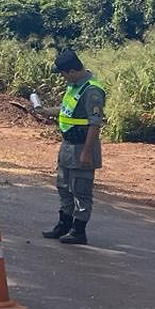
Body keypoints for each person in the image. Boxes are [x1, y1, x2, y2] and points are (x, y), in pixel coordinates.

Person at [32, 49, 106, 245]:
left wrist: (87, 152)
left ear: (72, 71)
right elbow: (67, 110)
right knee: (63, 187)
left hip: (82, 147)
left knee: (81, 190)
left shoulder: (92, 91)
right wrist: (46, 111)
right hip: (68, 146)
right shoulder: (74, 87)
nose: (63, 78)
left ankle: (78, 231)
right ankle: (63, 225)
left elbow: (94, 123)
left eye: (64, 74)